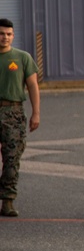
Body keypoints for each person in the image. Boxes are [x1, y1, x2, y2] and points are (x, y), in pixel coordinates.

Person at [0, 19, 40, 217]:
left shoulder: (23, 57)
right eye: (1, 33)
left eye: (8, 34)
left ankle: (7, 200)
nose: (4, 37)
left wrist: (36, 113)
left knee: (12, 158)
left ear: (13, 36)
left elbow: (33, 86)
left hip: (13, 112)